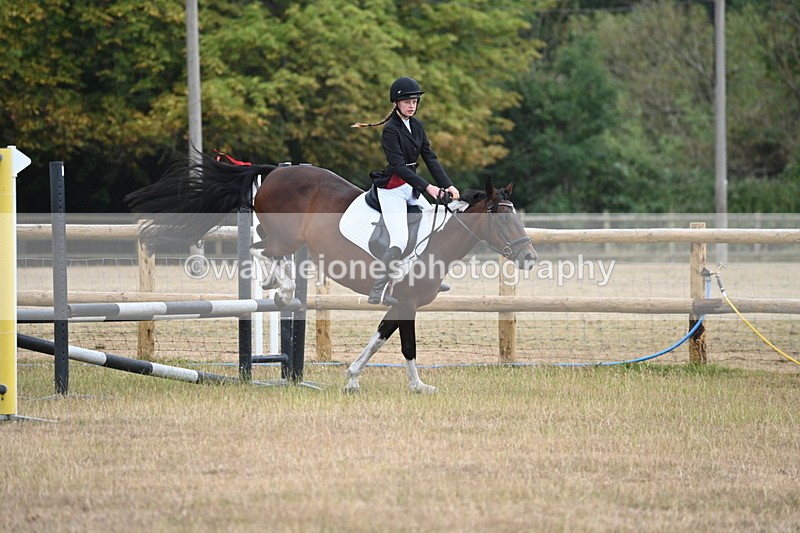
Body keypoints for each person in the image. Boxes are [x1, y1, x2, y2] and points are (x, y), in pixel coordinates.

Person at [353, 77, 460, 305]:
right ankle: (379, 286)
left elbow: (429, 157)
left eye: (414, 102)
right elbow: (399, 167)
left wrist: (448, 184)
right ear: (396, 103)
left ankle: (426, 277)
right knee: (400, 239)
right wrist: (429, 187)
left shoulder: (417, 125)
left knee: (433, 225)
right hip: (392, 190)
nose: (411, 106)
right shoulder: (390, 131)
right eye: (406, 102)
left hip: (409, 187)